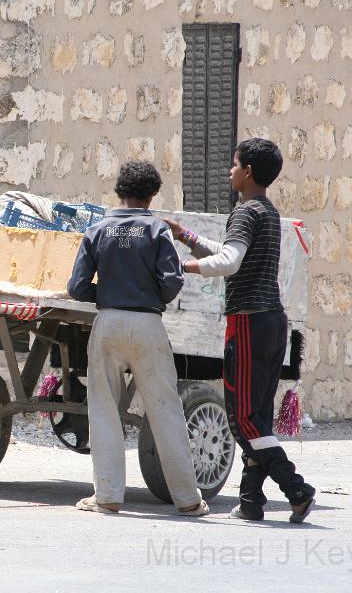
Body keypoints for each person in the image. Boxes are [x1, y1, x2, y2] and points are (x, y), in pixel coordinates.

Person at [163, 138, 316, 523]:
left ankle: (296, 489)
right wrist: (188, 237)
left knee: (244, 421)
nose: (230, 171)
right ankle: (250, 502)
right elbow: (230, 249)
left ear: (247, 172)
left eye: (234, 164)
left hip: (248, 323)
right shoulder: (265, 211)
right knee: (258, 418)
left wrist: (182, 267)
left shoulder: (246, 212)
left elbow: (229, 261)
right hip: (272, 322)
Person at [67, 160, 208, 517]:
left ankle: (108, 496)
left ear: (119, 191)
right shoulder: (158, 231)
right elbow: (173, 280)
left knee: (103, 409)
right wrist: (152, 296)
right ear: (153, 194)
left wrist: (106, 293)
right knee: (165, 411)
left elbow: (76, 287)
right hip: (148, 324)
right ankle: (188, 499)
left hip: (109, 323)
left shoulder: (97, 230)